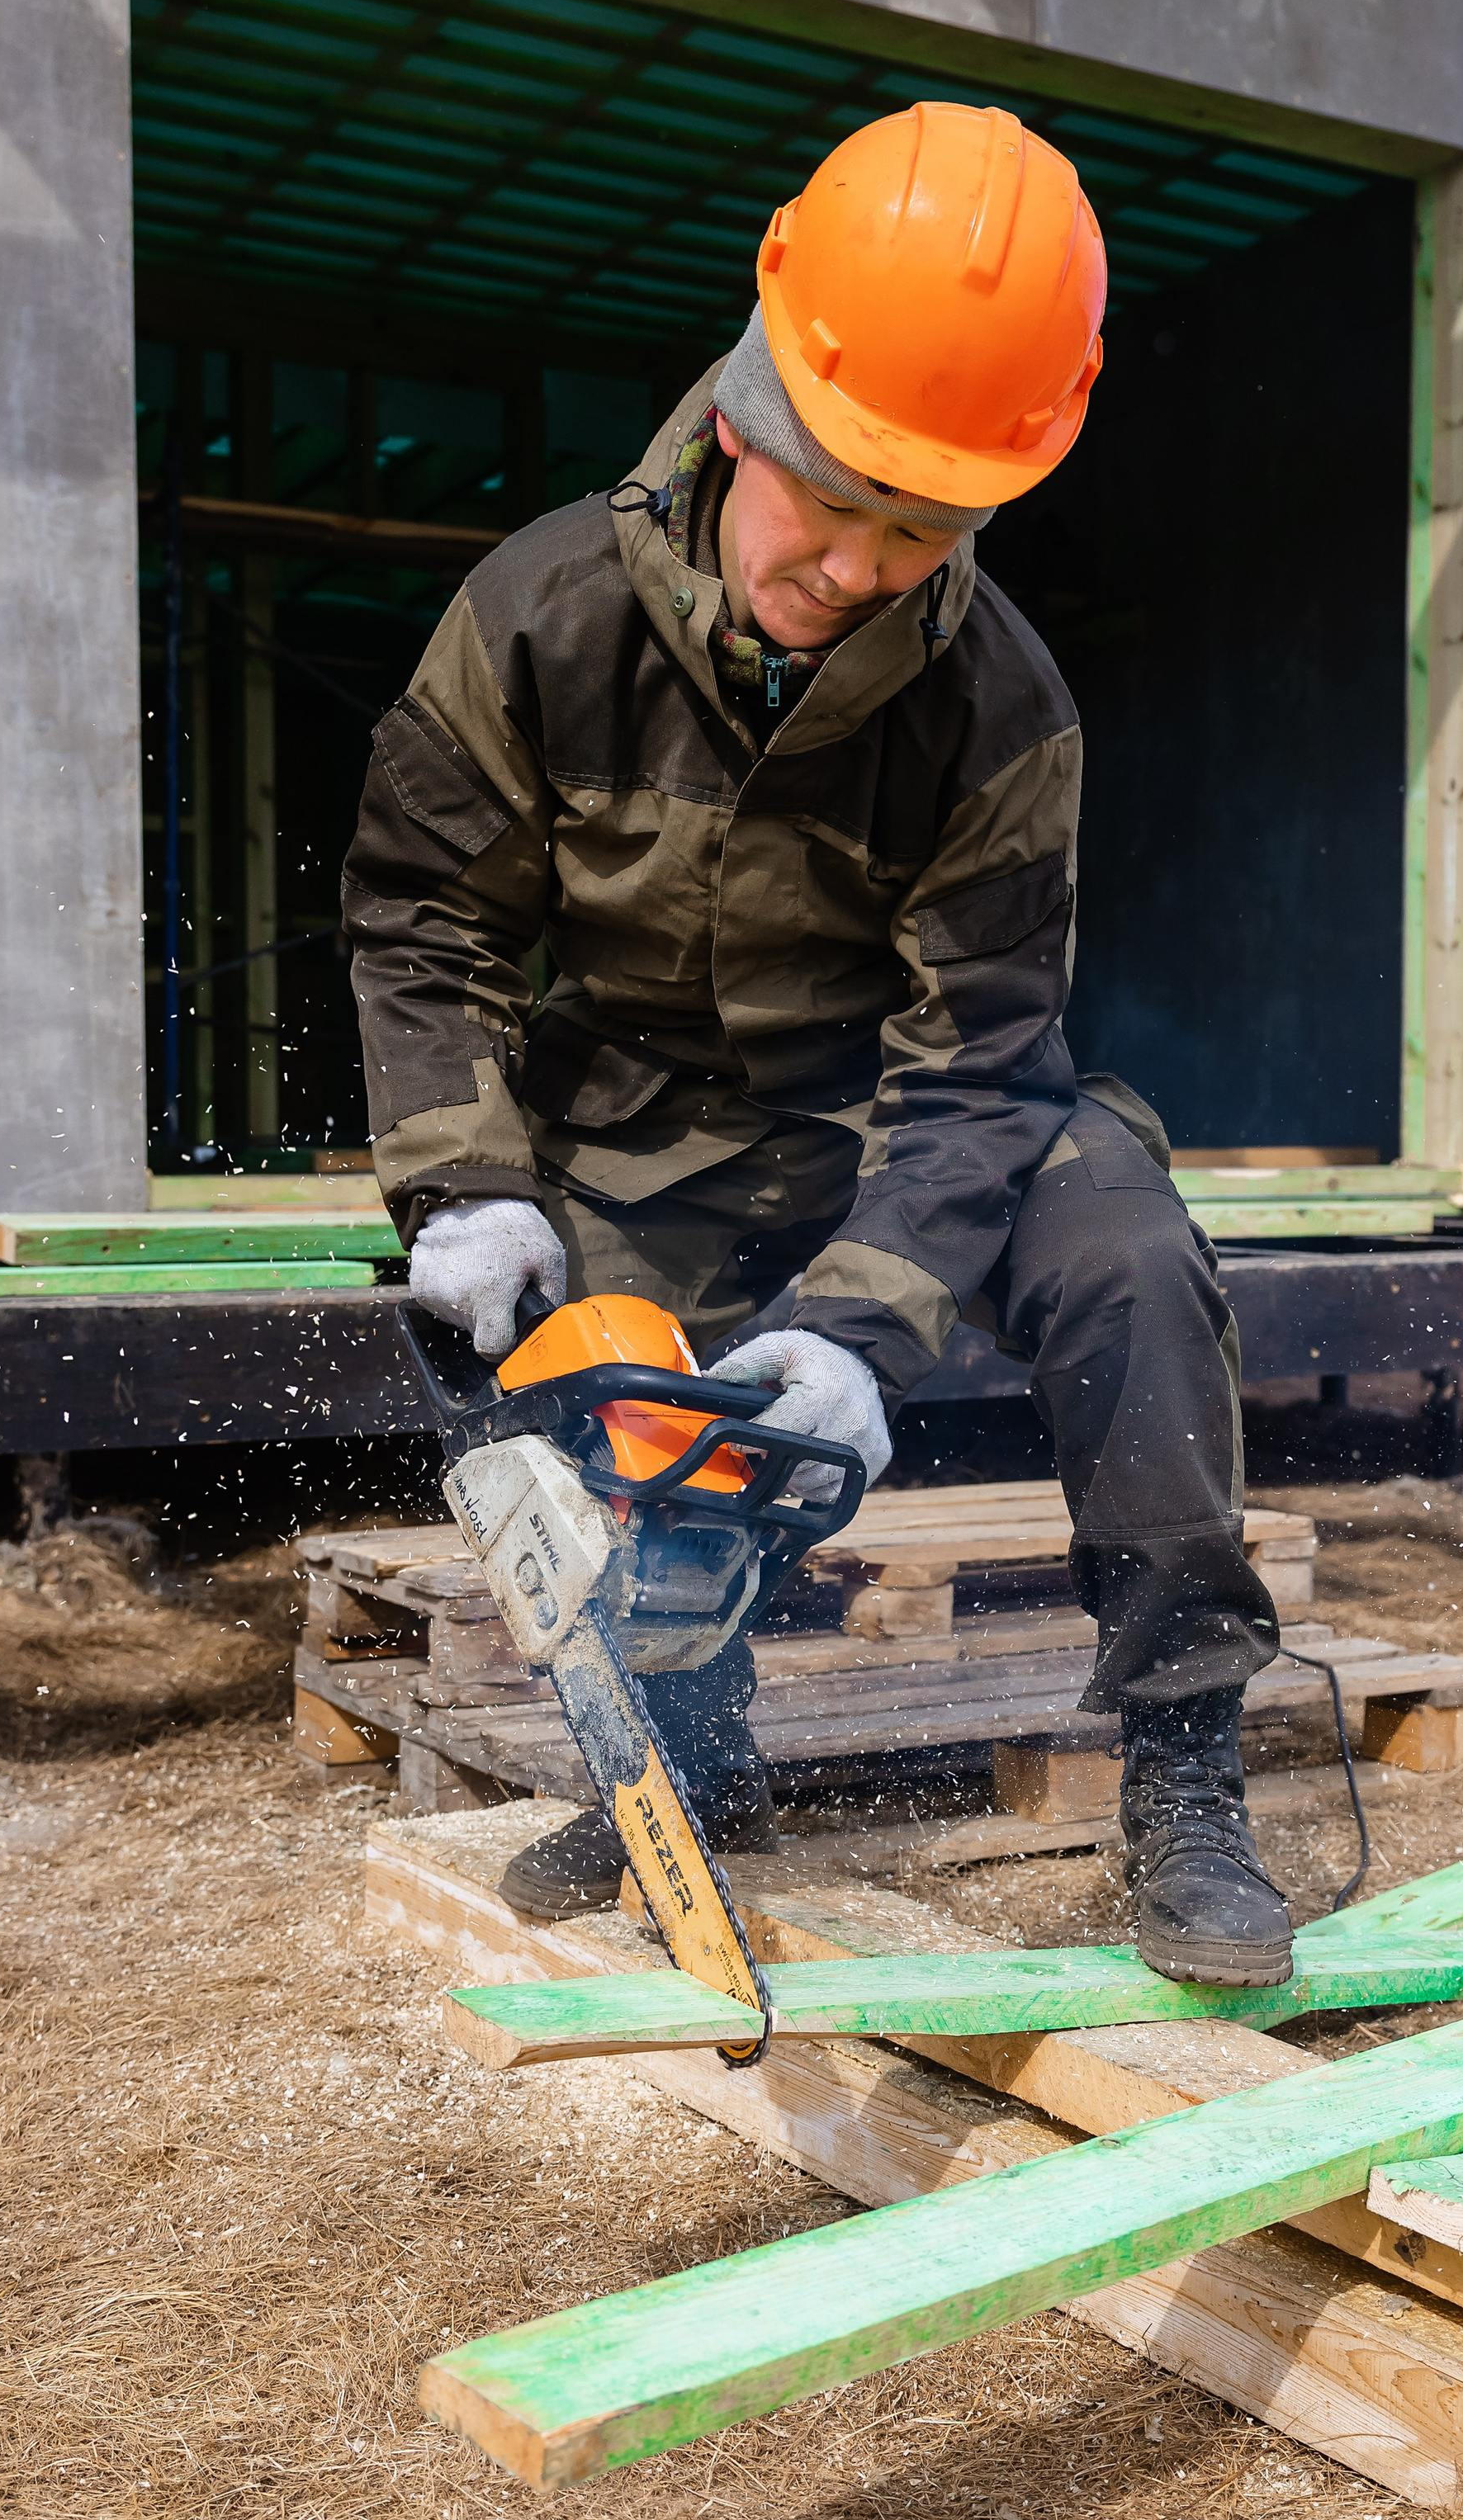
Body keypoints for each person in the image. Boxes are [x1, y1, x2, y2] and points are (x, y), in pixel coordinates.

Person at [343, 102, 1291, 1985]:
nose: (858, 563)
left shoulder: (1002, 701)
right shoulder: (536, 613)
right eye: (831, 501)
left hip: (917, 1123)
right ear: (741, 412)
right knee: (572, 1358)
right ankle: (692, 1771)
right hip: (649, 1123)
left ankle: (1185, 1765)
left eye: (917, 525)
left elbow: (981, 1056)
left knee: (1121, 1236)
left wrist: (859, 1333)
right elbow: (425, 917)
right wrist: (464, 1187)